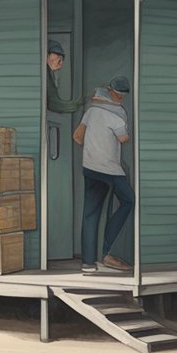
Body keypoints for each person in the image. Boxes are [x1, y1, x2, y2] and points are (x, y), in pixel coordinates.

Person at [73, 78, 134, 274]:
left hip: (90, 166)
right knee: (128, 201)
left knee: (90, 213)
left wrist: (93, 147)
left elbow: (77, 137)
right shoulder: (119, 114)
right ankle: (107, 251)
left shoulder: (91, 111)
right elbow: (124, 138)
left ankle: (88, 263)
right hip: (110, 169)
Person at [45, 40, 82, 114]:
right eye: (59, 59)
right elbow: (54, 104)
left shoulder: (48, 74)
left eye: (62, 60)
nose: (60, 65)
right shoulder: (45, 76)